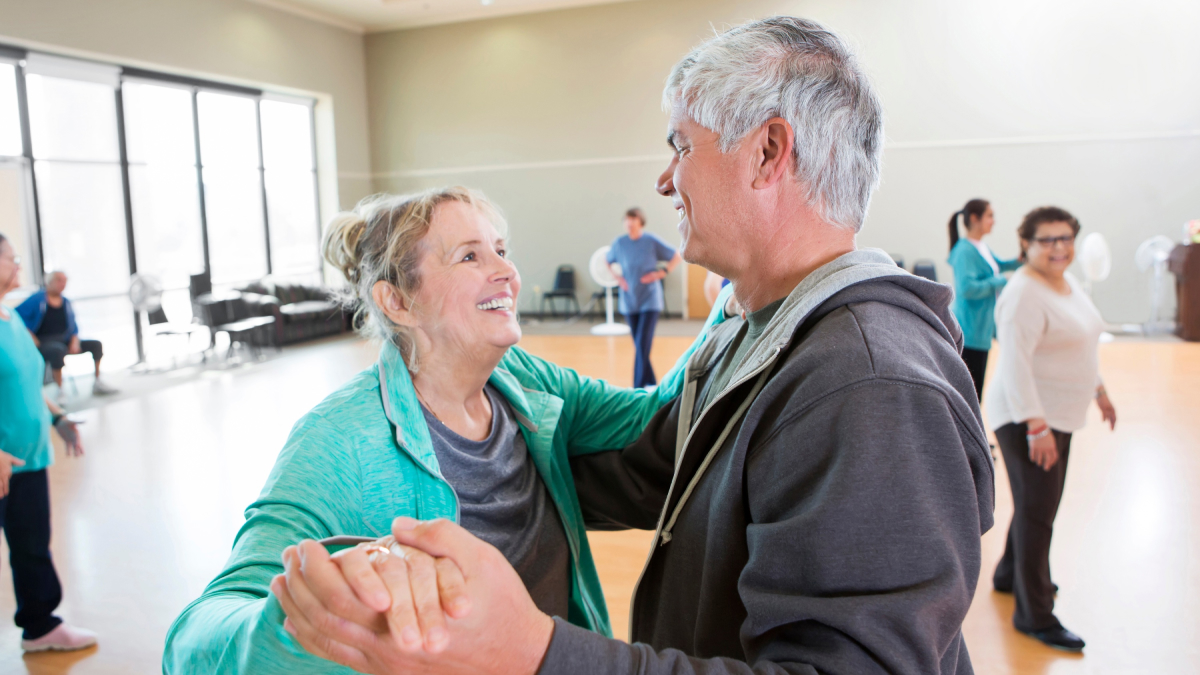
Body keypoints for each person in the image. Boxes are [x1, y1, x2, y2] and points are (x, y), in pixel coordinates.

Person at [276, 17, 995, 675]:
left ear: (769, 151)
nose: (664, 178)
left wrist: (537, 650)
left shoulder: (867, 385)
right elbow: (649, 461)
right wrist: (467, 391)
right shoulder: (756, 332)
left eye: (680, 145)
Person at [162, 187, 720, 674]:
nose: (505, 270)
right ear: (398, 301)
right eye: (470, 256)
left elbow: (651, 418)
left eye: (501, 250)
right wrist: (322, 599)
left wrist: (735, 301)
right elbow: (193, 642)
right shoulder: (339, 441)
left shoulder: (522, 379)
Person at [985, 206, 1117, 652]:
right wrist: (1036, 426)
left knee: (1035, 503)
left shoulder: (1065, 282)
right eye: (1048, 240)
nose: (1059, 248)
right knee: (1040, 512)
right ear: (1026, 244)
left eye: (1066, 238)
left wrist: (1098, 390)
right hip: (1028, 416)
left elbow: (1082, 340)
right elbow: (1017, 365)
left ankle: (1008, 576)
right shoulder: (1023, 293)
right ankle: (1034, 615)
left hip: (1058, 410)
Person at [0, 233, 95, 652]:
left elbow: (25, 380)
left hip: (29, 457)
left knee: (32, 544)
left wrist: (58, 418)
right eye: (11, 258)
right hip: (3, 461)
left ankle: (40, 627)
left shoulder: (10, 317)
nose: (18, 265)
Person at [947, 199, 1021, 400]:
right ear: (974, 219)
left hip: (981, 330)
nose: (993, 221)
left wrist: (1021, 259)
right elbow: (967, 288)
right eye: (990, 216)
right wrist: (1000, 281)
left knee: (975, 392)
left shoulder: (981, 247)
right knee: (969, 396)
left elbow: (1000, 265)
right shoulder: (964, 250)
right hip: (969, 332)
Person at [606, 207, 682, 388]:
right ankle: (652, 382)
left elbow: (676, 255)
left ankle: (638, 388)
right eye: (626, 219)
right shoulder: (619, 243)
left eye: (633, 219)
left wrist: (662, 273)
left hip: (650, 300)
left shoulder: (651, 241)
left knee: (642, 344)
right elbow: (607, 260)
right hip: (629, 300)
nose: (629, 222)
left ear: (640, 222)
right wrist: (618, 278)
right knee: (641, 346)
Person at [16, 271, 117, 398]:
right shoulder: (37, 299)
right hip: (44, 343)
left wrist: (74, 341)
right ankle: (60, 390)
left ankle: (97, 382)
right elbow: (15, 316)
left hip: (65, 340)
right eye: (59, 280)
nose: (62, 284)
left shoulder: (66, 302)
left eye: (65, 281)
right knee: (58, 351)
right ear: (49, 282)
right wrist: (29, 335)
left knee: (96, 345)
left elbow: (73, 327)